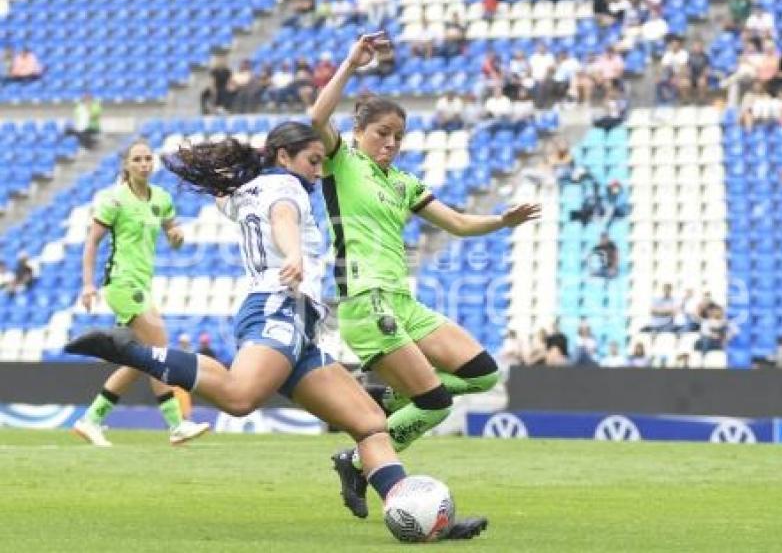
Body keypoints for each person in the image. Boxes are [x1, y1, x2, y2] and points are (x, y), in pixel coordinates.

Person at [65, 123, 486, 540]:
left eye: (322, 162)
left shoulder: (252, 189)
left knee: (371, 423)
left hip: (299, 322)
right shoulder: (285, 188)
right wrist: (294, 253)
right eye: (313, 161)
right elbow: (282, 218)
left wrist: (235, 174)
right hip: (277, 305)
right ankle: (133, 352)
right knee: (239, 396)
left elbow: (228, 199)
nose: (320, 171)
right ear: (285, 158)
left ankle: (415, 513)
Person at [310, 33, 539, 520]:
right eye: (382, 134)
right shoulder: (342, 162)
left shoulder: (404, 182)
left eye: (398, 136)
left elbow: (456, 223)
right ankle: (361, 459)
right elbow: (314, 119)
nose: (390, 144)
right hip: (366, 301)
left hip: (404, 303)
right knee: (434, 404)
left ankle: (383, 407)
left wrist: (502, 220)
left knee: (483, 374)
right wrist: (352, 62)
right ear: (359, 130)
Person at [71, 140, 209, 447]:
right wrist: (88, 284)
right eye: (138, 159)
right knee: (159, 348)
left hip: (143, 284)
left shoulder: (161, 198)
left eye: (148, 158)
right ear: (126, 165)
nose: (145, 163)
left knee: (141, 360)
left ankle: (90, 419)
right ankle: (177, 424)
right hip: (121, 283)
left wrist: (176, 237)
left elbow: (174, 235)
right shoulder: (114, 200)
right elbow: (91, 242)